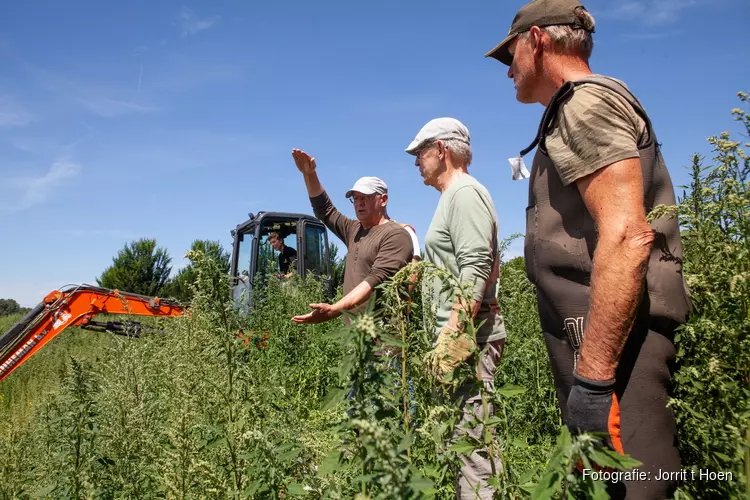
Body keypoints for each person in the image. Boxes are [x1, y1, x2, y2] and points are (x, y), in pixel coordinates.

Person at [484, 1, 693, 498]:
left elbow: (625, 236)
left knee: (635, 487)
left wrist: (596, 381)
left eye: (510, 53)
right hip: (599, 338)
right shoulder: (572, 108)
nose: (509, 69)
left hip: (616, 346)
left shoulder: (584, 103)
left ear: (537, 40)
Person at [405, 117, 507, 500]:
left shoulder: (464, 193)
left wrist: (452, 338)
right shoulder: (452, 197)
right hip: (462, 335)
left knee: (473, 445)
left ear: (441, 150)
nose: (416, 161)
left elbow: (476, 267)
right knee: (463, 441)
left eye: (420, 152)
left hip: (470, 337)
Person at [290, 148, 414, 324]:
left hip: (382, 341)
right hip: (354, 337)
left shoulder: (395, 235)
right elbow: (324, 210)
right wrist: (309, 174)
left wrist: (335, 309)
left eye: (365, 198)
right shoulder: (353, 229)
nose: (359, 204)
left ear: (383, 199)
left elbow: (375, 279)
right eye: (355, 199)